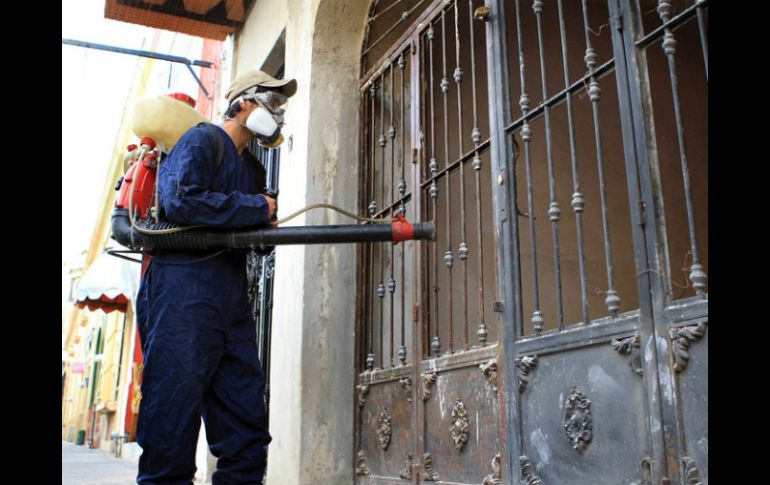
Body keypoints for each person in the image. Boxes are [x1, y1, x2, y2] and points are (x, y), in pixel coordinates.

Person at [135, 70, 297, 484]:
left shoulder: (253, 170)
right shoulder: (202, 140)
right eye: (270, 102)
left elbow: (248, 230)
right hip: (182, 294)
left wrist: (264, 229)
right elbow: (180, 200)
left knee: (246, 429)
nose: (277, 113)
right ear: (242, 103)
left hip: (229, 299)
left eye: (281, 106)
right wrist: (256, 209)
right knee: (170, 421)